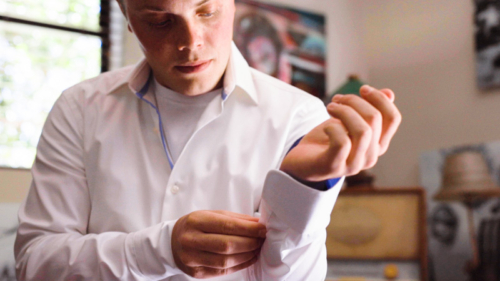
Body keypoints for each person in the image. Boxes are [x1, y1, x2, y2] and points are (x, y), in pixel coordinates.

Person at [14, 0, 401, 280]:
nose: (191, 41)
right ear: (125, 14)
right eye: (160, 20)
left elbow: (289, 277)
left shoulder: (300, 118)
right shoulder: (79, 109)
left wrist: (302, 187)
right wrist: (160, 250)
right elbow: (34, 262)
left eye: (206, 11)